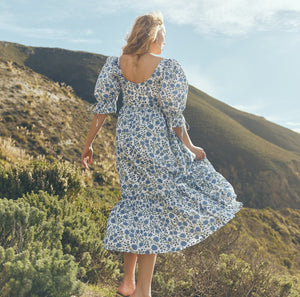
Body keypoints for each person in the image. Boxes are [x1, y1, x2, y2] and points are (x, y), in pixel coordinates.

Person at [81, 11, 243, 297]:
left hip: (128, 137)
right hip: (155, 138)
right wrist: (190, 147)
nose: (165, 42)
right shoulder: (167, 67)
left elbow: (103, 107)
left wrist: (88, 143)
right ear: (154, 34)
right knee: (155, 207)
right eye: (164, 36)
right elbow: (173, 116)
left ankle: (128, 281)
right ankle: (143, 290)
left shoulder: (116, 64)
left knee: (134, 201)